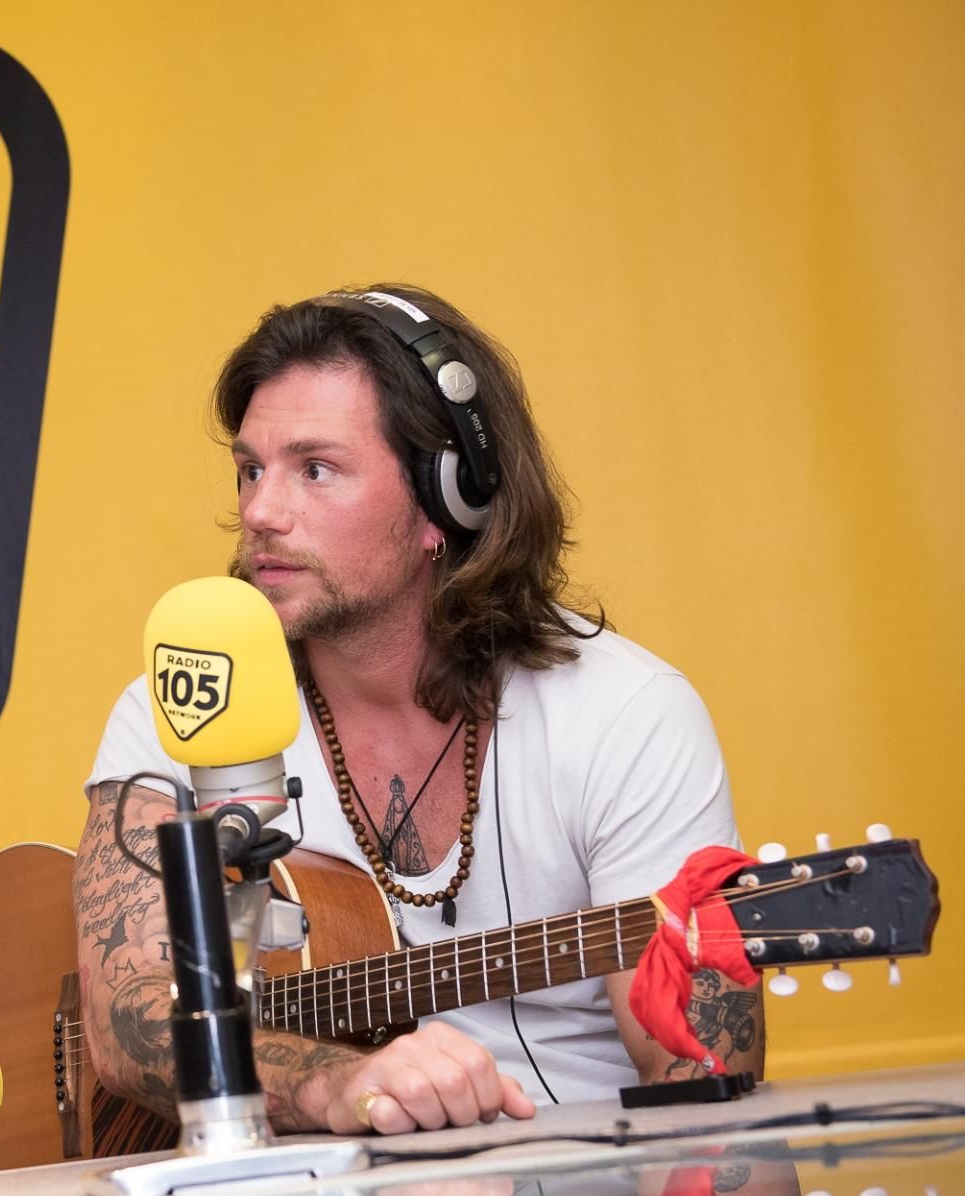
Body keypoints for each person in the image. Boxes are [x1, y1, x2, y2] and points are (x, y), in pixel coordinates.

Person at [73, 286, 763, 1136]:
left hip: (581, 1192)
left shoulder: (627, 716)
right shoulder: (186, 701)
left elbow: (700, 1078)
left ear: (446, 501)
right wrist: (336, 1084)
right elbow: (125, 1016)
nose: (259, 511)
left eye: (314, 469)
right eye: (251, 469)